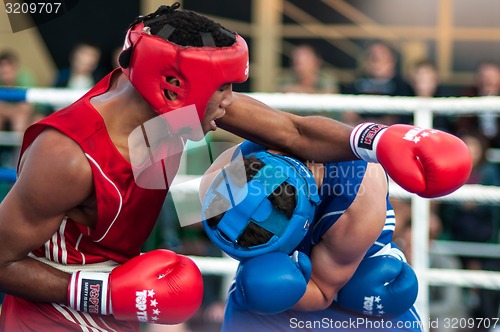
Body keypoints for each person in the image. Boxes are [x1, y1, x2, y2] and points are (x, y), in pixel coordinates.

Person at [0, 2, 472, 331]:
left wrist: (375, 140)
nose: (230, 101)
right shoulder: (67, 154)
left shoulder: (172, 108)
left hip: (121, 294)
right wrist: (101, 293)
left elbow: (292, 132)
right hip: (51, 309)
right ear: (173, 87)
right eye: (222, 88)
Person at [200, 141, 423, 331]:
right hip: (268, 298)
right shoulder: (228, 172)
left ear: (304, 221)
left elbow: (322, 290)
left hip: (348, 298)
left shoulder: (356, 199)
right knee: (256, 290)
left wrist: (273, 287)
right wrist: (257, 285)